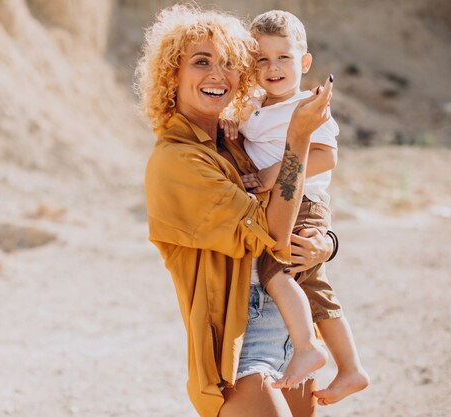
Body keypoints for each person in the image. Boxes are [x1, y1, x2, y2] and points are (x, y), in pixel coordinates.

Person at [135, 4, 335, 417]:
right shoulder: (178, 160)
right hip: (239, 348)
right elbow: (273, 236)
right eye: (201, 61)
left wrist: (326, 245)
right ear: (172, 74)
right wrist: (297, 137)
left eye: (229, 63)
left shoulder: (234, 142)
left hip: (291, 336)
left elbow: (298, 208)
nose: (217, 74)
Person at [220, 10, 369, 405]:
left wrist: (271, 175)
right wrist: (233, 122)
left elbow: (325, 156)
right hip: (285, 204)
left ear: (304, 63)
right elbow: (238, 125)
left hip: (305, 204)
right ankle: (351, 368)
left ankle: (306, 346)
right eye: (261, 59)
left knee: (276, 271)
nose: (273, 67)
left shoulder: (308, 105)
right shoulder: (254, 105)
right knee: (314, 288)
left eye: (284, 57)